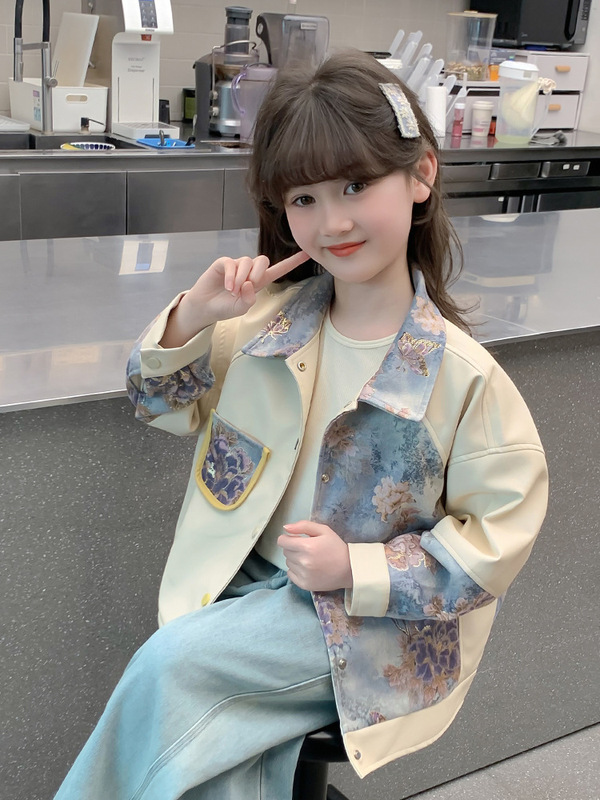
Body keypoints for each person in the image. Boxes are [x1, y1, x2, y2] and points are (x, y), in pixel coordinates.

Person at [54, 50, 548, 800]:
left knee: (172, 666)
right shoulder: (265, 326)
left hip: (362, 624)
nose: (332, 221)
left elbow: (495, 546)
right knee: (219, 764)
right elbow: (155, 403)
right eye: (304, 198)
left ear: (421, 173)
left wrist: (357, 568)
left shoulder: (461, 375)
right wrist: (196, 314)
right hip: (240, 585)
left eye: (356, 185)